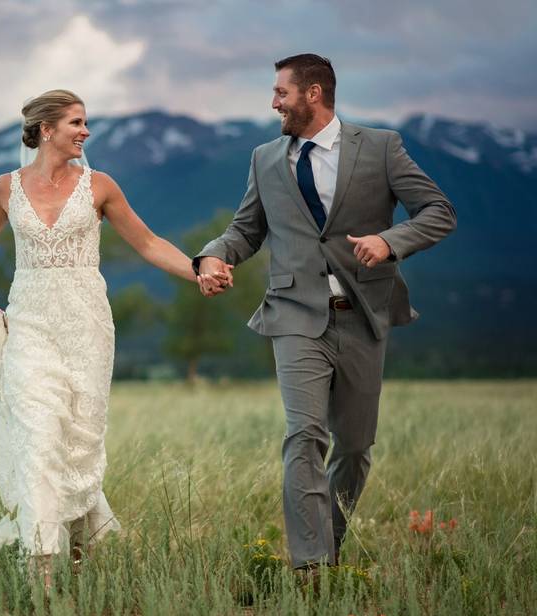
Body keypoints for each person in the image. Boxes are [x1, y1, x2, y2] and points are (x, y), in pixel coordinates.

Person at [195, 54, 455, 571]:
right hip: (293, 312)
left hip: (363, 313)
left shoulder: (381, 148)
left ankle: (327, 547)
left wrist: (388, 241)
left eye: (281, 93)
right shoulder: (265, 158)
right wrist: (213, 256)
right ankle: (310, 566)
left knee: (355, 448)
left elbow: (438, 212)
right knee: (305, 434)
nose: (274, 103)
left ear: (313, 94)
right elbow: (246, 230)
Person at [0, 89, 211, 585]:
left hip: (87, 330)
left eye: (86, 124)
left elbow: (146, 242)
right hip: (30, 327)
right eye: (76, 123)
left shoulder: (99, 186)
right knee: (39, 438)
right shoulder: (4, 188)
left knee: (77, 446)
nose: (85, 132)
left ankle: (78, 553)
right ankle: (39, 574)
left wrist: (197, 270)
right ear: (46, 130)